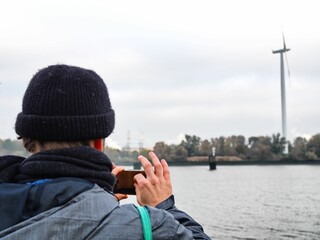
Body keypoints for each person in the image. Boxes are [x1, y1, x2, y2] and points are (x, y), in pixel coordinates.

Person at [0, 64, 211, 239]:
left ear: (27, 139)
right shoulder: (148, 226)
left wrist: (98, 200)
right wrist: (164, 206)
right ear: (99, 143)